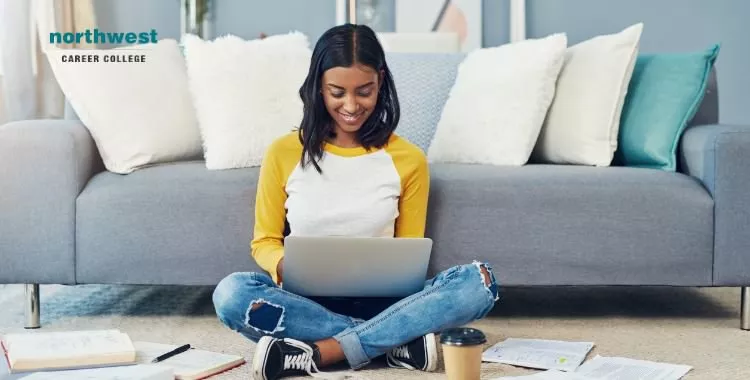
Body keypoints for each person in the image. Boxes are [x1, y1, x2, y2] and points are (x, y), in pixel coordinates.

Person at [212, 24, 499, 380]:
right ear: (319, 86)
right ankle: (393, 341)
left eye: (364, 91)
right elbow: (264, 241)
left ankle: (325, 350)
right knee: (232, 294)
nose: (351, 106)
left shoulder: (407, 158)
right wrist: (285, 265)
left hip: (387, 302)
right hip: (307, 303)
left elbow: (408, 252)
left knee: (479, 283)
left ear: (380, 81)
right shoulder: (284, 152)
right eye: (337, 92)